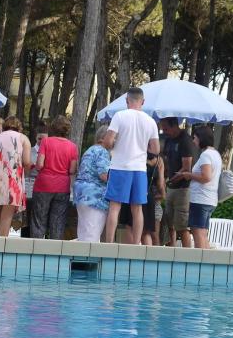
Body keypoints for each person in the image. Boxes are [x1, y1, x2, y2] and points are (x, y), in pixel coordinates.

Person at [102, 87, 160, 244]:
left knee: (115, 207)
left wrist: (116, 145)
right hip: (139, 169)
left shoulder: (119, 116)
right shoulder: (150, 121)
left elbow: (107, 142)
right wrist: (142, 149)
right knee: (137, 209)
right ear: (143, 102)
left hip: (119, 167)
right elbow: (156, 149)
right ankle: (136, 244)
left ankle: (109, 243)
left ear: (127, 100)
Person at [31, 115, 78, 240]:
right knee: (58, 222)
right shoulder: (72, 147)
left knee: (39, 220)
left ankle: (36, 247)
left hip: (44, 185)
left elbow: (39, 165)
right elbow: (72, 170)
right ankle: (55, 249)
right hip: (62, 186)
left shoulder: (46, 142)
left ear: (52, 128)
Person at [0, 116, 32, 237]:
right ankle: (1, 246)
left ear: (4, 126)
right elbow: (27, 162)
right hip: (12, 180)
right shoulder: (23, 138)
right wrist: (26, 173)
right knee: (6, 217)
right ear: (19, 127)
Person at [177, 125, 222, 249]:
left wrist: (189, 175)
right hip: (209, 199)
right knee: (203, 233)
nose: (193, 141)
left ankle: (200, 259)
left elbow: (206, 177)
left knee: (198, 233)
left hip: (201, 199)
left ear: (201, 138)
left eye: (195, 138)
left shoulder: (206, 155)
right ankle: (206, 258)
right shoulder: (215, 154)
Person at [159, 117, 197, 247]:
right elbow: (165, 160)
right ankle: (172, 249)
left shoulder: (185, 140)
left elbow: (186, 168)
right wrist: (162, 177)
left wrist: (169, 181)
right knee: (169, 223)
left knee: (182, 225)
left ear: (175, 125)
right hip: (171, 187)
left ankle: (186, 253)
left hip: (183, 188)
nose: (164, 132)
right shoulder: (169, 140)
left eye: (166, 129)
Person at [73, 126, 112, 242]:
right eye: (113, 137)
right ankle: (89, 254)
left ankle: (81, 253)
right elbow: (104, 175)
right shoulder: (102, 152)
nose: (114, 141)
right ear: (104, 138)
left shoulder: (90, 150)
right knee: (92, 234)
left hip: (81, 195)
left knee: (84, 232)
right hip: (94, 197)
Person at [21, 121, 48, 238]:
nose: (42, 141)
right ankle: (25, 239)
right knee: (27, 216)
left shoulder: (50, 151)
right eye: (39, 139)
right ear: (36, 138)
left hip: (44, 187)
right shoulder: (29, 151)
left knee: (41, 215)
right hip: (29, 186)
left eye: (44, 139)